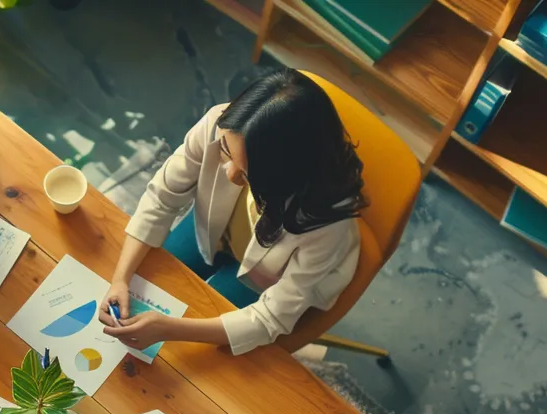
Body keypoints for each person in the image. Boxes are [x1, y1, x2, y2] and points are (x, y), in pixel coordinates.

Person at [101, 69, 366, 355]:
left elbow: (270, 317)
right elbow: (162, 197)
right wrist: (120, 279)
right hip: (211, 228)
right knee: (149, 282)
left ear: (287, 177)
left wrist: (170, 328)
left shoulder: (327, 223)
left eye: (250, 174)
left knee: (192, 342)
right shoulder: (221, 123)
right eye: (226, 151)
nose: (229, 175)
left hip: (268, 275)